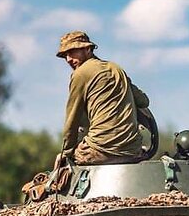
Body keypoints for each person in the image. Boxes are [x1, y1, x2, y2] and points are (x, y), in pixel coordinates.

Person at [56, 31, 151, 165]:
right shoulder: (116, 69)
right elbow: (143, 101)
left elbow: (72, 120)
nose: (68, 59)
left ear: (88, 49)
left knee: (58, 174)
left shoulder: (80, 74)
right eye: (65, 55)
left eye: (72, 52)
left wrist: (67, 153)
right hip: (132, 152)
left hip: (99, 151)